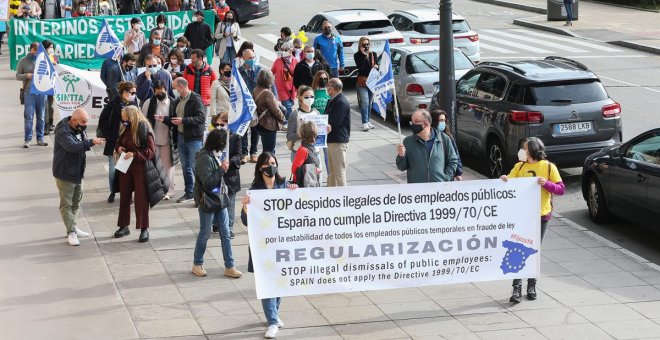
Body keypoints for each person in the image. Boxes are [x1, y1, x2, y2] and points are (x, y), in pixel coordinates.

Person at [500, 137, 564, 303]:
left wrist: (546, 184)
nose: (522, 151)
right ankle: (516, 287)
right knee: (518, 249)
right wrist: (504, 179)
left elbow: (560, 189)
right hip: (522, 216)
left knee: (533, 251)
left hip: (541, 215)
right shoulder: (519, 166)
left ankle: (531, 285)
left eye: (525, 148)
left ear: (532, 151)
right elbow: (509, 181)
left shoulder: (549, 167)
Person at [241, 152, 296, 339]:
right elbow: (246, 222)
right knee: (267, 284)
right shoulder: (254, 191)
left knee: (279, 283)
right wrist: (245, 208)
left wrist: (296, 192)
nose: (271, 166)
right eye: (267, 164)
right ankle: (272, 320)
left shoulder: (285, 186)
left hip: (282, 243)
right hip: (262, 246)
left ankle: (274, 313)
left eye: (273, 163)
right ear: (260, 168)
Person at [190, 128, 243, 278]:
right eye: (223, 144)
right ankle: (197, 263)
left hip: (219, 199)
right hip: (207, 200)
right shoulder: (204, 158)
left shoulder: (214, 155)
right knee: (205, 233)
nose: (224, 147)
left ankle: (230, 266)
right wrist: (221, 170)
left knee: (225, 233)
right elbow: (208, 183)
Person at [53, 109, 104, 246]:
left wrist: (89, 141)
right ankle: (71, 232)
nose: (85, 124)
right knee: (66, 204)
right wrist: (91, 142)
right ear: (74, 121)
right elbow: (73, 147)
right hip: (65, 172)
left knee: (76, 202)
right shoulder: (62, 131)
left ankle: (73, 226)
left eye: (87, 121)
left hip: (78, 172)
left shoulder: (78, 128)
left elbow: (82, 143)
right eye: (83, 122)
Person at [113, 106, 162, 242]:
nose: (122, 119)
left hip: (140, 166)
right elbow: (118, 142)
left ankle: (143, 228)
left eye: (124, 117)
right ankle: (123, 226)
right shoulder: (125, 127)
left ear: (131, 116)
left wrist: (134, 154)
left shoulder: (143, 128)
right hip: (125, 165)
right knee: (124, 196)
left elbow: (151, 151)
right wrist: (119, 147)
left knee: (141, 198)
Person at [158, 77, 206, 203]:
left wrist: (184, 121)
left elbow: (201, 118)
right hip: (180, 137)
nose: (173, 90)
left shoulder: (195, 99)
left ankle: (201, 194)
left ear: (181, 87)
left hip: (194, 139)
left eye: (174, 87)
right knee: (186, 167)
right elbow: (175, 119)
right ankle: (189, 192)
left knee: (196, 167)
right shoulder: (178, 100)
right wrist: (164, 119)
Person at [98, 82, 139, 203]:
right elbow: (103, 120)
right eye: (132, 93)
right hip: (114, 141)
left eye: (134, 93)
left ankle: (127, 194)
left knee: (126, 169)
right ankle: (113, 191)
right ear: (125, 92)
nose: (133, 95)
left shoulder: (134, 104)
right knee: (113, 169)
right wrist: (110, 135)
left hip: (129, 142)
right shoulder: (113, 104)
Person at [395, 109, 458, 183]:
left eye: (415, 122)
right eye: (412, 121)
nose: (412, 124)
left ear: (426, 123)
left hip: (438, 189)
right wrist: (401, 156)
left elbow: (453, 160)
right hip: (417, 189)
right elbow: (401, 167)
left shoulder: (443, 139)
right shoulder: (408, 141)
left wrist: (446, 177)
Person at [143, 81, 177, 200]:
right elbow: (143, 120)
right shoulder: (149, 102)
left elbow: (175, 120)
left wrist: (165, 120)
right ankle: (155, 189)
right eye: (156, 92)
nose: (159, 94)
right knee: (153, 166)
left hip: (168, 139)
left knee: (168, 166)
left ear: (166, 89)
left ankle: (169, 190)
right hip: (153, 139)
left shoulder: (173, 102)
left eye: (161, 92)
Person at [210, 112, 241, 237]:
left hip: (231, 175)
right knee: (216, 200)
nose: (219, 127)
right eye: (216, 124)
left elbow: (239, 155)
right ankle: (217, 223)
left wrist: (230, 161)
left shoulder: (235, 137)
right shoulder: (212, 136)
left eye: (222, 124)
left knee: (230, 202)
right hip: (216, 174)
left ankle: (229, 227)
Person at [16, 42, 48, 149]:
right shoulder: (23, 61)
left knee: (41, 117)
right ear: (31, 49)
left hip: (42, 92)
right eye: (34, 51)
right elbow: (17, 76)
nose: (36, 53)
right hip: (29, 92)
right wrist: (26, 75)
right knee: (29, 117)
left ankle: (40, 138)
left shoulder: (44, 60)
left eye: (38, 51)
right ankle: (27, 139)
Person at [325, 78, 351, 186]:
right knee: (331, 171)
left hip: (338, 141)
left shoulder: (341, 102)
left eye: (327, 86)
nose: (326, 88)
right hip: (332, 140)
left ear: (331, 88)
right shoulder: (333, 99)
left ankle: (342, 197)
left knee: (339, 172)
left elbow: (334, 122)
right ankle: (331, 196)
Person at [253, 70, 285, 156]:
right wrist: (283, 118)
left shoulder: (256, 89)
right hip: (269, 125)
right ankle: (269, 167)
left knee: (265, 149)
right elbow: (276, 110)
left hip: (260, 123)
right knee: (270, 151)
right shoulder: (268, 93)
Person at [286, 85, 320, 161]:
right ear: (300, 97)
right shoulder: (295, 114)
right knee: (299, 173)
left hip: (315, 152)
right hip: (299, 152)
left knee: (318, 173)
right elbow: (289, 136)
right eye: (306, 97)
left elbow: (320, 133)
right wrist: (301, 134)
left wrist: (326, 130)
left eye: (312, 96)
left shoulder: (316, 113)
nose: (310, 99)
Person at [183, 49, 217, 119]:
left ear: (200, 58)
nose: (191, 60)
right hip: (190, 100)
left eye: (193, 58)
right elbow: (183, 83)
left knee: (203, 121)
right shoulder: (187, 68)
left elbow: (215, 85)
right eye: (191, 58)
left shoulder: (210, 70)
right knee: (190, 119)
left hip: (203, 101)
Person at [431, 109, 463, 181]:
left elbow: (455, 155)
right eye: (441, 120)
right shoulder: (429, 137)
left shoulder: (447, 137)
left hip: (447, 174)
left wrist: (458, 173)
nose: (443, 123)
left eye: (444, 121)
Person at [354, 36, 378, 131]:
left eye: (367, 44)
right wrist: (364, 55)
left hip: (372, 80)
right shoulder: (357, 55)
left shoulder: (373, 54)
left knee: (370, 102)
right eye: (364, 44)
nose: (366, 46)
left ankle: (368, 121)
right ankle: (364, 122)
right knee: (365, 102)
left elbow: (376, 65)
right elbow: (361, 67)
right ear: (360, 45)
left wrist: (376, 66)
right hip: (362, 81)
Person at [271, 42, 297, 124]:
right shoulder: (278, 61)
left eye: (286, 50)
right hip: (281, 88)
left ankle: (283, 120)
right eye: (282, 50)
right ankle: (288, 124)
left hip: (292, 88)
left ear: (291, 50)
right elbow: (272, 72)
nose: (284, 51)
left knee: (289, 105)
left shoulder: (295, 61)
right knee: (288, 107)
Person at [291, 121, 322, 187]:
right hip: (304, 187)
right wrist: (313, 170)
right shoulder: (303, 150)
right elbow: (294, 170)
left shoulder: (311, 149)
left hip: (311, 184)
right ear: (314, 135)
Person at [42, 40, 59, 136]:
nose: (51, 49)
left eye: (52, 47)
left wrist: (55, 62)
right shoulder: (41, 57)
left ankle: (51, 122)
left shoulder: (54, 56)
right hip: (43, 84)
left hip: (52, 84)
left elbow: (58, 66)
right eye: (49, 47)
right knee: (45, 106)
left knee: (50, 105)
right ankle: (46, 125)